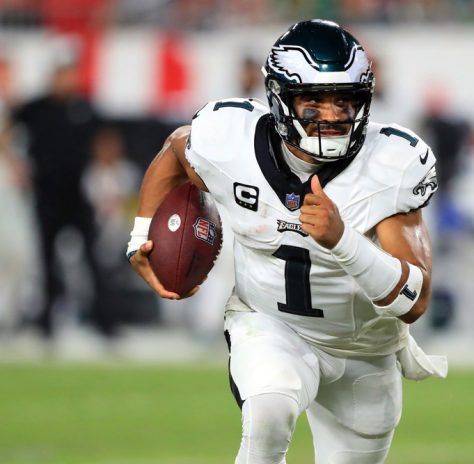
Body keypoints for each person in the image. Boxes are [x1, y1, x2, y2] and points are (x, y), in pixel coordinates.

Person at [128, 19, 446, 464]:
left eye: (344, 100)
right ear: (280, 98)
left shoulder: (389, 163)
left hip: (365, 350)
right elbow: (177, 151)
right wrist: (141, 237)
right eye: (313, 99)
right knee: (269, 409)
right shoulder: (229, 139)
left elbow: (414, 298)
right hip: (273, 324)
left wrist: (343, 241)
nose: (332, 114)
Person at [8, 55, 117, 338]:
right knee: (46, 262)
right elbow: (7, 130)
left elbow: (106, 140)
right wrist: (15, 165)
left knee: (92, 260)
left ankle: (104, 321)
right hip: (46, 195)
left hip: (78, 194)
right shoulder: (37, 108)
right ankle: (46, 323)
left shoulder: (83, 107)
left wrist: (105, 176)